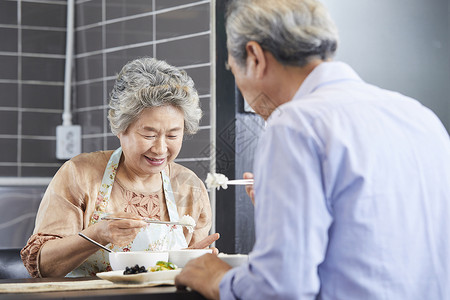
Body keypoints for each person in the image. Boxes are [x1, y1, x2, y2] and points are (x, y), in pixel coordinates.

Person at [175, 0, 450, 299]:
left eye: (232, 69)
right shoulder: (419, 116)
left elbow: (280, 290)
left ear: (254, 57)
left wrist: (218, 278)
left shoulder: (293, 125)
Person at [21, 57, 219, 278]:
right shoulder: (79, 174)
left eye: (173, 135)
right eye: (149, 135)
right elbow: (42, 267)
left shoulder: (189, 187)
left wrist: (189, 262)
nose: (160, 149)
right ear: (120, 127)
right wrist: (98, 234)